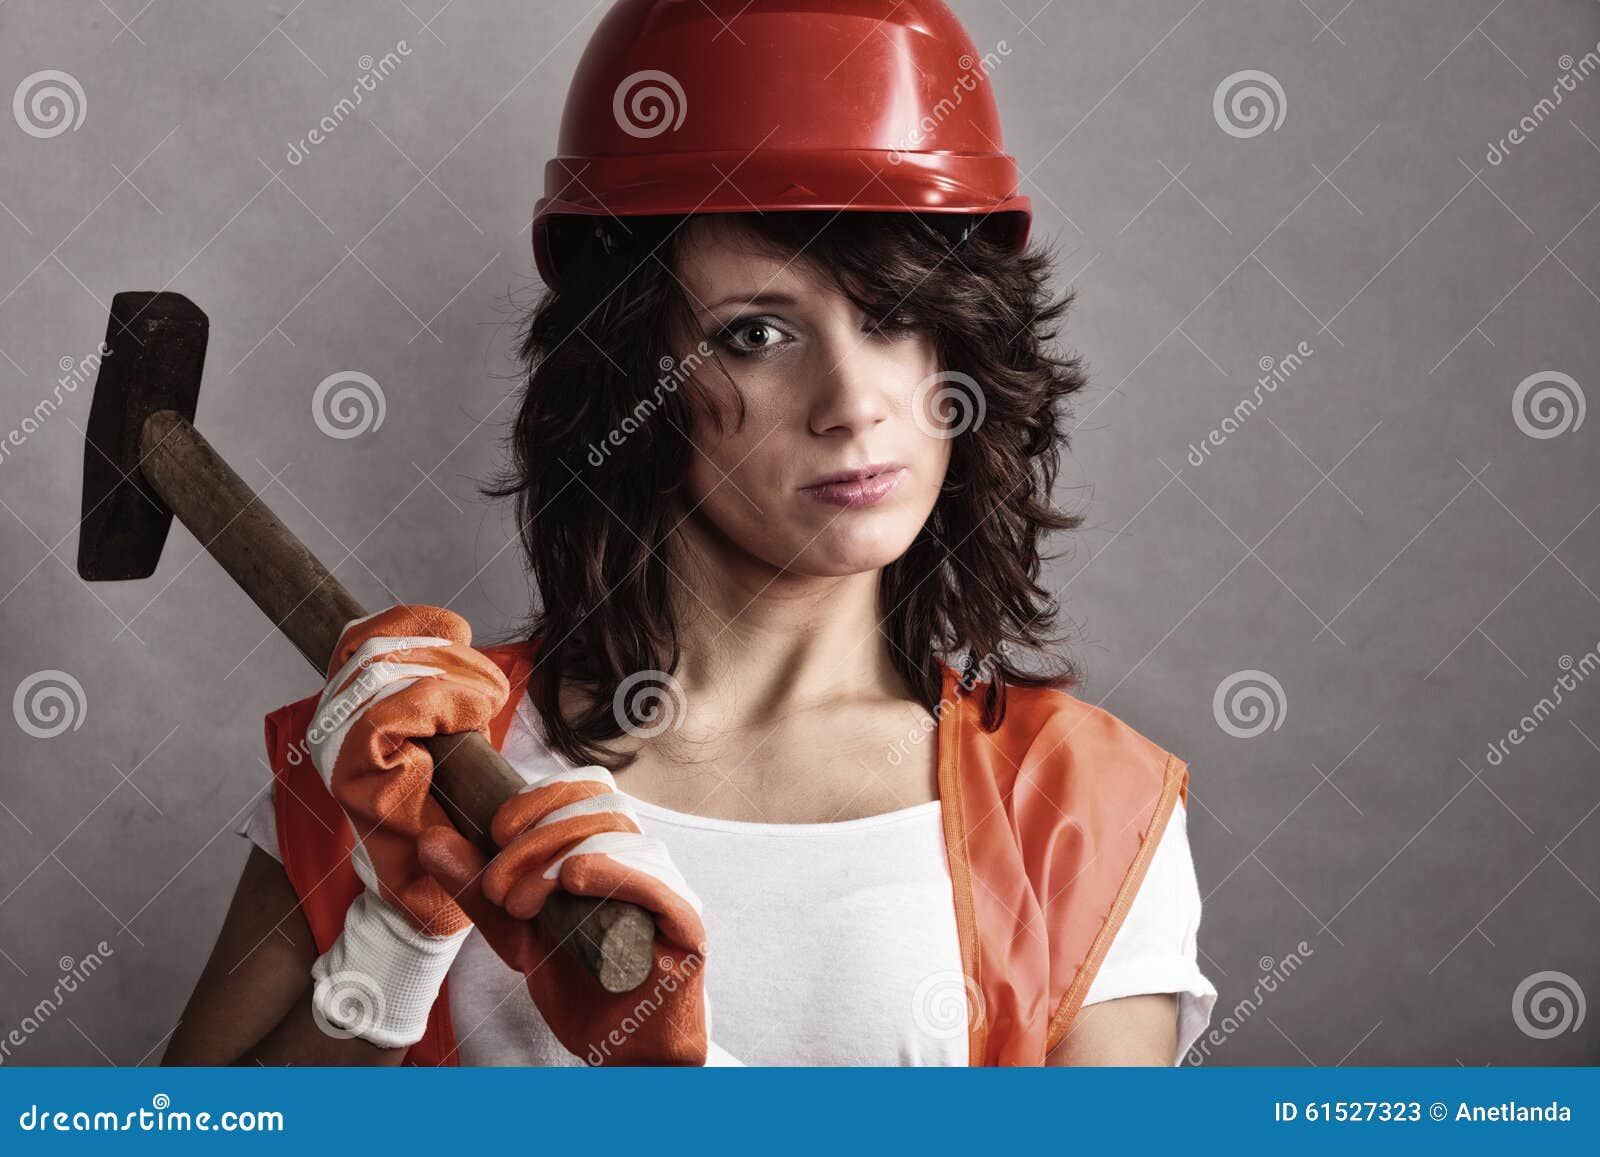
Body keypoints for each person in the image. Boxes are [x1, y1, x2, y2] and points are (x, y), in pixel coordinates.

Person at [162, 0, 1215, 1067]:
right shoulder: (398, 754)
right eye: (755, 334)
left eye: (894, 314)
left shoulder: (1081, 808)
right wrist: (392, 945)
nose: (851, 401)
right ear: (632, 375)